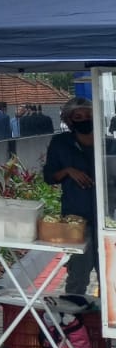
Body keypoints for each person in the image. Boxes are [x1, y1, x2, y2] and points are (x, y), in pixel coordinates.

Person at [43, 98, 112, 300]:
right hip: (76, 218)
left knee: (109, 274)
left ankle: (106, 323)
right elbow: (49, 177)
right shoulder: (60, 143)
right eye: (78, 117)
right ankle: (72, 322)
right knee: (77, 275)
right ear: (70, 120)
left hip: (108, 217)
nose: (84, 120)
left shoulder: (109, 143)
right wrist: (67, 171)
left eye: (89, 116)